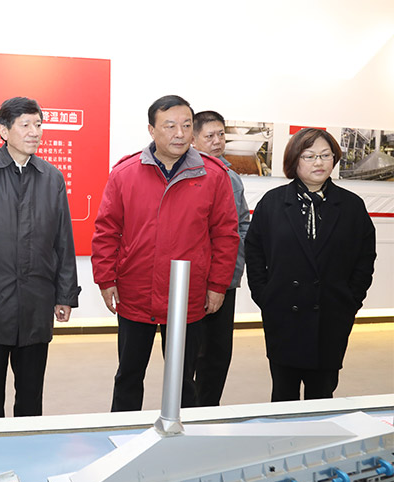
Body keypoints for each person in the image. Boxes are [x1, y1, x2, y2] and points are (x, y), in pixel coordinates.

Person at [91, 95, 239, 412]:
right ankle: (124, 432)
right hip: (136, 293)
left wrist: (217, 285)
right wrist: (106, 279)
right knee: (129, 375)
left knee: (183, 379)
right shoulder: (125, 173)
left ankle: (183, 435)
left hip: (188, 296)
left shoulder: (213, 175)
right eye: (170, 126)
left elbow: (225, 235)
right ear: (152, 130)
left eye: (186, 125)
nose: (180, 134)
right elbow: (107, 230)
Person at [0, 96, 80, 419]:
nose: (35, 132)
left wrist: (65, 294)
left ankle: (28, 446)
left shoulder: (52, 178)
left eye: (38, 124)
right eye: (25, 125)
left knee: (31, 396)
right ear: (3, 130)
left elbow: (63, 241)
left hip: (37, 303)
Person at [245, 128, 375, 401]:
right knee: (283, 395)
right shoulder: (273, 203)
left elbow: (365, 257)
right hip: (283, 313)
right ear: (294, 160)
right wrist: (264, 295)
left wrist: (351, 299)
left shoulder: (351, 206)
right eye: (310, 156)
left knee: (322, 394)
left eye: (326, 155)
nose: (319, 162)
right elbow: (255, 252)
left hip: (331, 314)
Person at [191, 111, 251, 406]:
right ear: (193, 139)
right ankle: (185, 408)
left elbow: (242, 226)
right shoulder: (184, 174)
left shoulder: (232, 178)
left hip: (223, 280)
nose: (217, 141)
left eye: (221, 135)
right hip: (189, 281)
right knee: (188, 352)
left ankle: (208, 409)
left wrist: (232, 274)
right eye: (209, 136)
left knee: (217, 353)